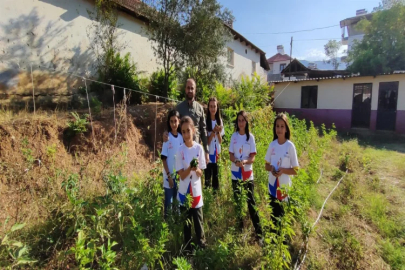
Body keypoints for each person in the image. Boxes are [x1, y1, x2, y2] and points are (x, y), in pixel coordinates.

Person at [229, 111, 262, 241]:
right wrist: (236, 161)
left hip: (247, 174)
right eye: (239, 120)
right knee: (238, 202)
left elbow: (253, 157)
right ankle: (240, 230)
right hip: (236, 173)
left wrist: (245, 162)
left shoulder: (251, 138)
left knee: (251, 202)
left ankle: (259, 234)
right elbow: (231, 155)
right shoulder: (234, 136)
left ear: (246, 122)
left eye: (243, 120)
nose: (241, 122)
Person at [175, 116, 207, 252]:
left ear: (193, 130)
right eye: (183, 132)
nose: (186, 134)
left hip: (196, 190)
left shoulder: (199, 149)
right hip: (184, 192)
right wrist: (190, 168)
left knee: (198, 221)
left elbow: (201, 173)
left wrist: (197, 169)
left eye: (188, 130)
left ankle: (202, 246)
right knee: (186, 223)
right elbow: (181, 175)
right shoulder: (179, 151)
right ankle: (187, 249)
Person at [264, 113, 299, 233]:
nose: (279, 129)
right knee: (273, 217)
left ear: (286, 128)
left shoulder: (290, 146)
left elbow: (295, 170)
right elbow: (266, 165)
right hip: (272, 186)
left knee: (282, 218)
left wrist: (283, 170)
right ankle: (273, 245)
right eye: (277, 126)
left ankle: (282, 245)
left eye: (282, 126)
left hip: (284, 188)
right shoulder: (272, 145)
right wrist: (272, 169)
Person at [164, 79, 209, 164]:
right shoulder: (179, 108)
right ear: (185, 89)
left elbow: (203, 130)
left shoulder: (200, 108)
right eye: (188, 88)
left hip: (196, 149)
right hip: (182, 150)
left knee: (196, 173)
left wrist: (206, 151)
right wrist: (166, 134)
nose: (190, 90)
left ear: (195, 90)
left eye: (192, 88)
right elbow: (173, 126)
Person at [161, 110, 183, 218]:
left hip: (178, 175)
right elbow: (164, 159)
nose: (174, 124)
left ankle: (176, 226)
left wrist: (180, 174)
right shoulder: (167, 138)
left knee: (176, 202)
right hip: (168, 176)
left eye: (175, 121)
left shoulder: (181, 137)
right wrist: (169, 176)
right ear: (169, 123)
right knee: (168, 202)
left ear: (179, 121)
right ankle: (167, 227)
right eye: (171, 121)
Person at [205, 97, 224, 190]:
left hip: (217, 153)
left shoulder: (219, 121)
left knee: (216, 176)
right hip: (209, 152)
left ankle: (215, 195)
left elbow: (220, 141)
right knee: (208, 176)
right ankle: (207, 195)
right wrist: (213, 132)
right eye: (211, 106)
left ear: (217, 107)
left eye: (214, 106)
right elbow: (207, 142)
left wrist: (218, 132)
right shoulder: (205, 122)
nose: (213, 109)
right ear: (208, 108)